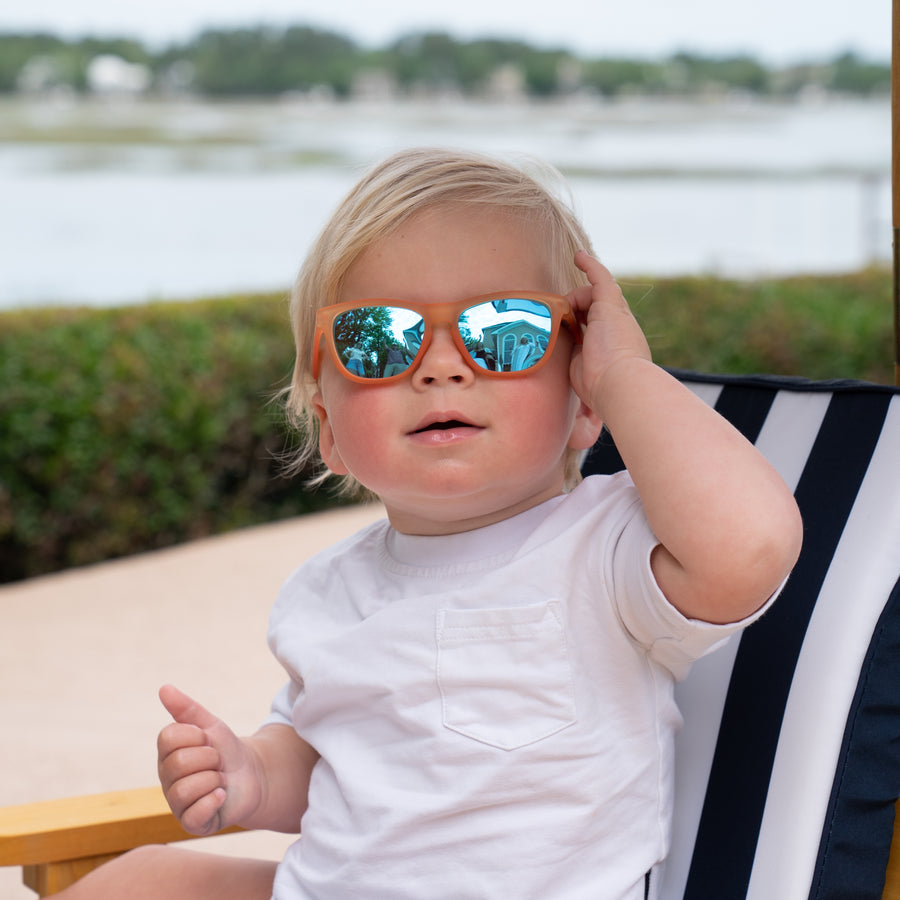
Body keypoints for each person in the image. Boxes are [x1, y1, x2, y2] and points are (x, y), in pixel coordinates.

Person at [52, 148, 802, 900]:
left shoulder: (605, 551)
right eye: (378, 339)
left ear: (584, 402)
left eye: (504, 330)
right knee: (147, 879)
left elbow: (752, 545)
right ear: (329, 430)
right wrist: (250, 774)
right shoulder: (327, 591)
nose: (442, 365)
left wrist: (625, 375)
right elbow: (327, 764)